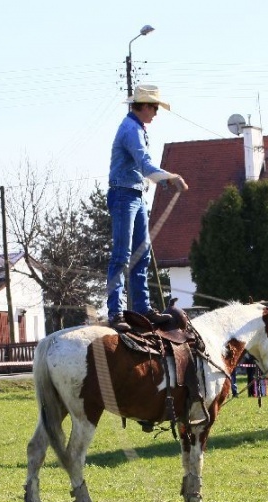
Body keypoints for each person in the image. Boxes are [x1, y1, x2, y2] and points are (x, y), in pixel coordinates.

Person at [106, 84, 187, 333]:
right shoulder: (130, 129)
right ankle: (116, 312)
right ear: (144, 106)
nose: (156, 113)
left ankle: (142, 307)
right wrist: (170, 177)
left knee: (142, 253)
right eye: (154, 107)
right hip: (124, 195)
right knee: (122, 254)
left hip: (136, 195)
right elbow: (145, 165)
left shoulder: (137, 128)